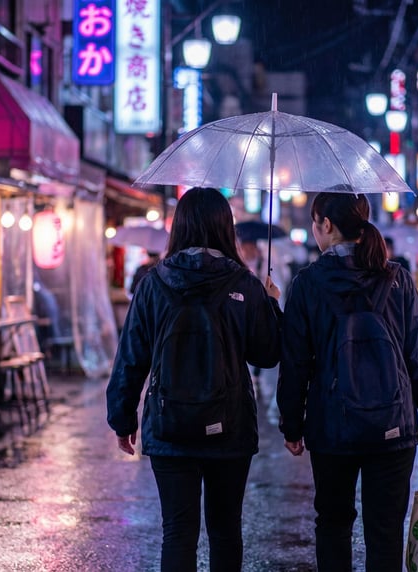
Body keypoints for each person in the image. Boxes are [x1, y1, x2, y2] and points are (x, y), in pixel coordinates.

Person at [276, 190, 418, 571]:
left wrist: (292, 425)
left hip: (331, 428)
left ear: (325, 225)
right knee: (385, 532)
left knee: (333, 526)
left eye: (315, 222)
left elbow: (295, 363)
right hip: (393, 426)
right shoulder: (398, 280)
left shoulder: (307, 284)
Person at [106, 187, 282, 571]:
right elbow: (268, 355)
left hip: (169, 427)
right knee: (225, 531)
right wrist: (270, 303)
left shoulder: (153, 284)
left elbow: (132, 357)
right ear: (225, 227)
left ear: (180, 228)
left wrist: (122, 418)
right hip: (230, 426)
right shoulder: (245, 284)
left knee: (178, 532)